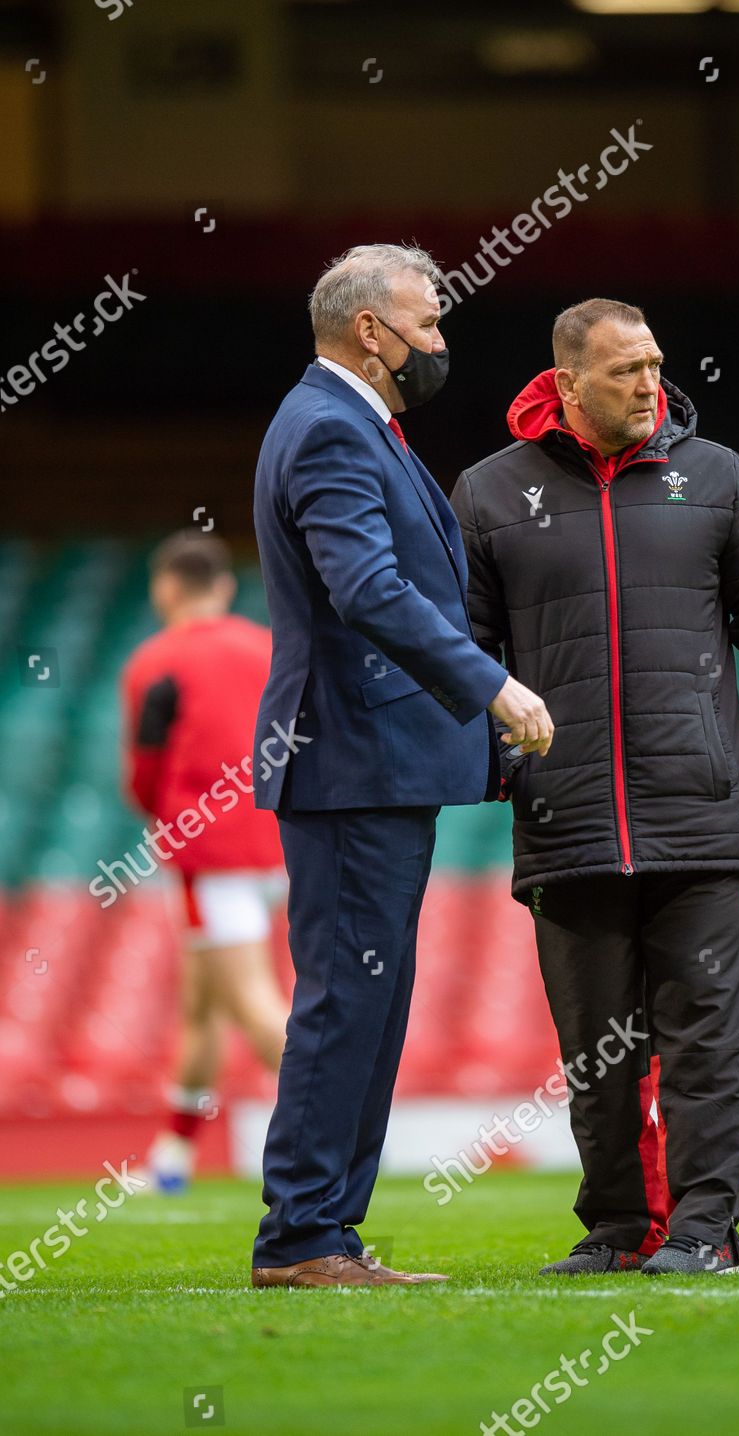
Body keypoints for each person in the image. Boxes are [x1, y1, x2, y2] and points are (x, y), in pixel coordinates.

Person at [451, 298, 739, 1276]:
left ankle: (706, 1232)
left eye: (654, 363)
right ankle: (620, 1229)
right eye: (623, 368)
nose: (646, 383)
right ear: (566, 383)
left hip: (697, 813)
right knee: (597, 1056)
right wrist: (499, 766)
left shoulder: (714, 478)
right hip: (566, 818)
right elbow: (460, 653)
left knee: (706, 1042)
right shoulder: (490, 493)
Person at [250, 243, 553, 1290]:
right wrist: (490, 687)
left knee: (364, 1003)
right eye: (425, 325)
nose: (438, 344)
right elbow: (367, 589)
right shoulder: (331, 428)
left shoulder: (349, 423)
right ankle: (301, 1237)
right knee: (346, 1002)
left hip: (366, 761)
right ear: (369, 331)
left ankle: (326, 1231)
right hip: (350, 757)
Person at [121, 530, 289, 1193]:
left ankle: (343, 1130)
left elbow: (143, 772)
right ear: (223, 586)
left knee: (249, 1000)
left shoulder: (154, 660)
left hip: (208, 851)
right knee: (203, 1003)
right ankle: (174, 1156)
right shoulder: (267, 646)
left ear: (165, 587)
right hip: (277, 842)